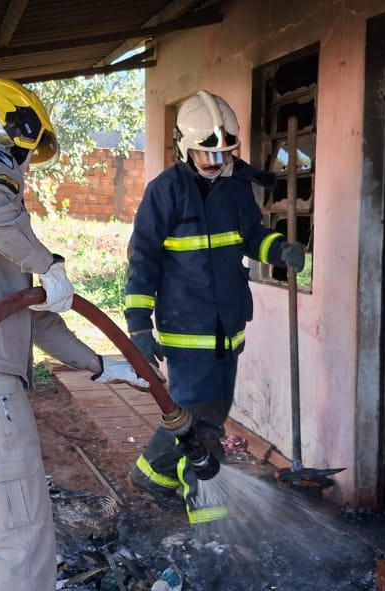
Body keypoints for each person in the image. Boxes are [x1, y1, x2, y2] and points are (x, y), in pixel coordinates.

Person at [0, 77, 149, 591]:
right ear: (12, 126)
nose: (22, 171)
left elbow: (24, 314)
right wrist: (47, 262)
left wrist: (100, 365)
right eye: (25, 155)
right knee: (23, 542)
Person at [124, 90, 304, 524]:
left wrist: (279, 249)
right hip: (186, 332)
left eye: (224, 152)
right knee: (202, 427)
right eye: (207, 153)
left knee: (206, 415)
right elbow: (142, 260)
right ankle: (208, 520)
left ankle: (152, 475)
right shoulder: (163, 193)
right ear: (185, 147)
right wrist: (138, 328)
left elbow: (249, 235)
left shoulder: (236, 188)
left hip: (230, 328)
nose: (216, 160)